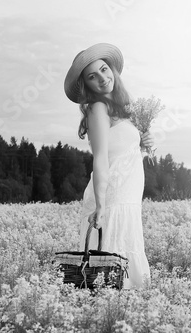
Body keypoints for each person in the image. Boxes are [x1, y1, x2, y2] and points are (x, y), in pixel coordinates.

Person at [64, 43, 152, 289]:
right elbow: (100, 158)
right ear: (87, 85)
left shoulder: (122, 110)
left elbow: (122, 155)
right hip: (111, 198)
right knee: (109, 259)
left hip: (127, 196)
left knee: (120, 257)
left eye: (104, 69)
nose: (102, 79)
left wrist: (143, 145)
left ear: (112, 69)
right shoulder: (98, 108)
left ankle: (120, 314)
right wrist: (101, 206)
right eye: (93, 76)